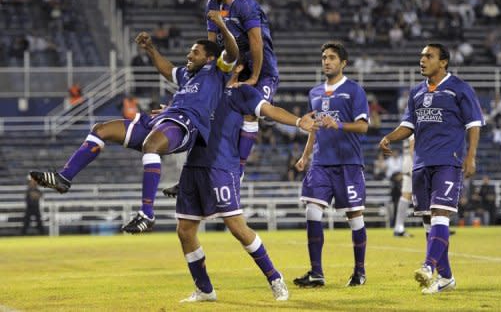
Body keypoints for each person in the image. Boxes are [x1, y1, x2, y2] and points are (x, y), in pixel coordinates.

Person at [30, 10, 239, 234]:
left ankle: (147, 214)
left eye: (194, 53)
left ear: (208, 59)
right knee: (101, 130)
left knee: (151, 147)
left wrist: (221, 26)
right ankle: (64, 178)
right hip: (160, 120)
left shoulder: (216, 72)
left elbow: (232, 52)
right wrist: (150, 49)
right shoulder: (188, 75)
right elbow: (168, 69)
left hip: (184, 124)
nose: (189, 56)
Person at [163, 62, 317, 302]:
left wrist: (298, 122)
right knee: (184, 230)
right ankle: (205, 289)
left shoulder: (241, 92)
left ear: (236, 67)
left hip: (221, 167)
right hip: (193, 166)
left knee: (237, 227)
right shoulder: (203, 88)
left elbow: (269, 110)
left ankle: (275, 278)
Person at [379, 43, 484, 294]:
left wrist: (471, 157)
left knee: (439, 214)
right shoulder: (416, 92)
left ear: (443, 62)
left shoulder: (459, 88)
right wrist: (390, 137)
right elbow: (408, 126)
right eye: (421, 56)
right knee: (428, 220)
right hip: (421, 163)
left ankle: (428, 267)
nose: (422, 60)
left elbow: (474, 124)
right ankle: (446, 278)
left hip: (448, 160)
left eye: (429, 56)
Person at [293, 42, 370, 288]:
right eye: (324, 57)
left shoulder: (354, 91)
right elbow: (313, 129)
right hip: (320, 164)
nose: (326, 61)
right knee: (312, 211)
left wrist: (339, 125)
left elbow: (364, 126)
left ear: (343, 63)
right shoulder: (314, 93)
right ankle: (317, 273)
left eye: (332, 58)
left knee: (354, 216)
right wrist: (305, 156)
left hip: (348, 164)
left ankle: (359, 272)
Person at [206, 0, 279, 178]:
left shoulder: (246, 5)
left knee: (251, 111)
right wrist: (212, 75)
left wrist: (255, 76)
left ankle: (239, 168)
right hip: (236, 67)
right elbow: (211, 44)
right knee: (212, 113)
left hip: (263, 70)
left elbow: (256, 43)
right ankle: (202, 166)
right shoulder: (212, 4)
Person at [393, 136, 414, 237]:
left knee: (407, 194)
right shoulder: (416, 121)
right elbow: (412, 144)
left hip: (409, 159)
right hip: (413, 159)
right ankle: (398, 227)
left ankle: (398, 227)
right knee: (407, 194)